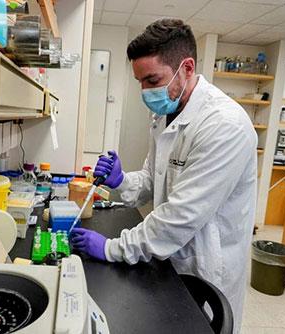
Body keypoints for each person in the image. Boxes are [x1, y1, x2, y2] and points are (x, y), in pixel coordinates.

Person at [71, 19, 257, 333]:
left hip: (205, 266)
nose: (145, 91)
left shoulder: (224, 126)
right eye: (140, 81)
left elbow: (179, 216)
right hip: (167, 259)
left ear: (186, 67)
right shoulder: (164, 113)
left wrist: (111, 248)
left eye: (152, 79)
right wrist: (121, 180)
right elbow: (153, 179)